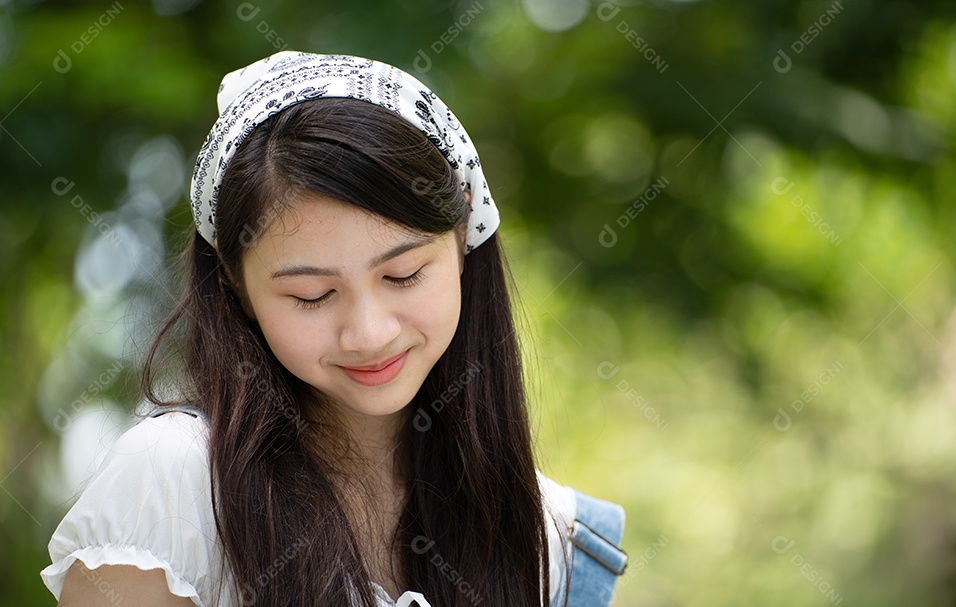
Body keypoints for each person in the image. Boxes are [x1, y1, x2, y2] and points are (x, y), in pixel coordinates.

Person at [39, 51, 626, 606]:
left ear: (464, 237)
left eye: (402, 275)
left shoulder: (553, 539)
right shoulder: (171, 492)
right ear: (235, 282)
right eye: (312, 295)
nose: (368, 333)